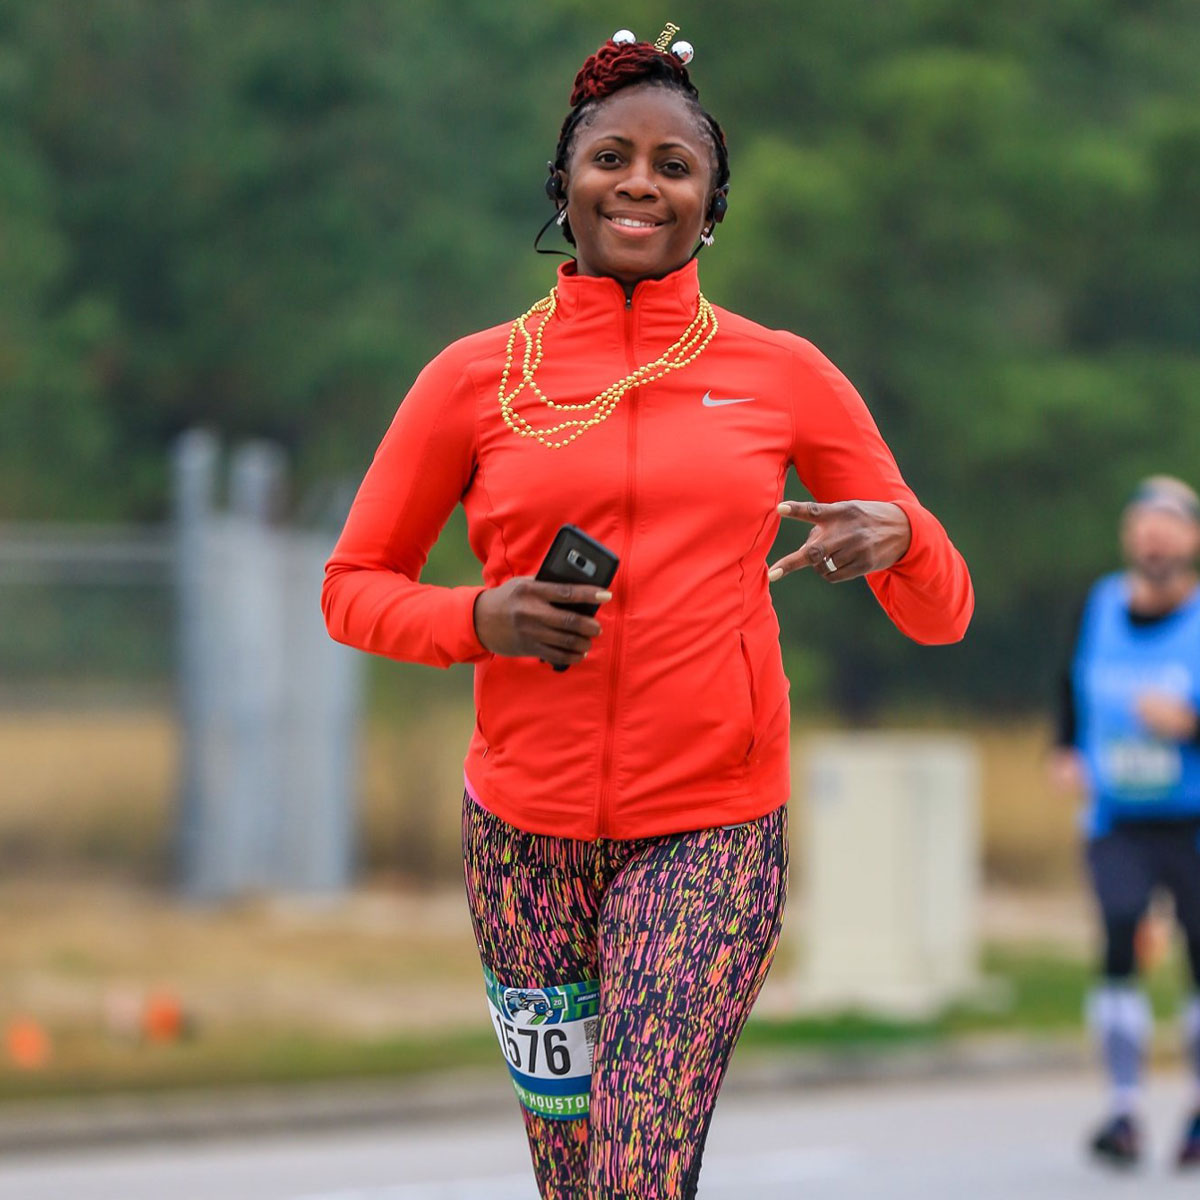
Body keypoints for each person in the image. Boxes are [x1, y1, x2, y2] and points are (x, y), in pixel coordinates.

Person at [322, 27, 972, 1200]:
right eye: (611, 157)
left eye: (674, 167)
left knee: (634, 1171)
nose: (639, 183)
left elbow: (942, 616)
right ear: (562, 186)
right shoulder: (473, 378)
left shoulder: (783, 373)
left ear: (711, 202)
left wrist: (906, 537)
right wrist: (486, 617)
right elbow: (352, 589)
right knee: (571, 1179)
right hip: (520, 838)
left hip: (709, 830)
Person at [1050, 475, 1200, 1169]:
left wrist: (1190, 725)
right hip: (1116, 816)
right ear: (1128, 537)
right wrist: (1064, 750)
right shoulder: (1101, 603)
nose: (1154, 535)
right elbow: (1070, 681)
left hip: (1192, 819)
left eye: (1169, 523)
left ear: (1192, 540)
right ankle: (1124, 1112)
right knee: (1117, 933)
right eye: (1143, 523)